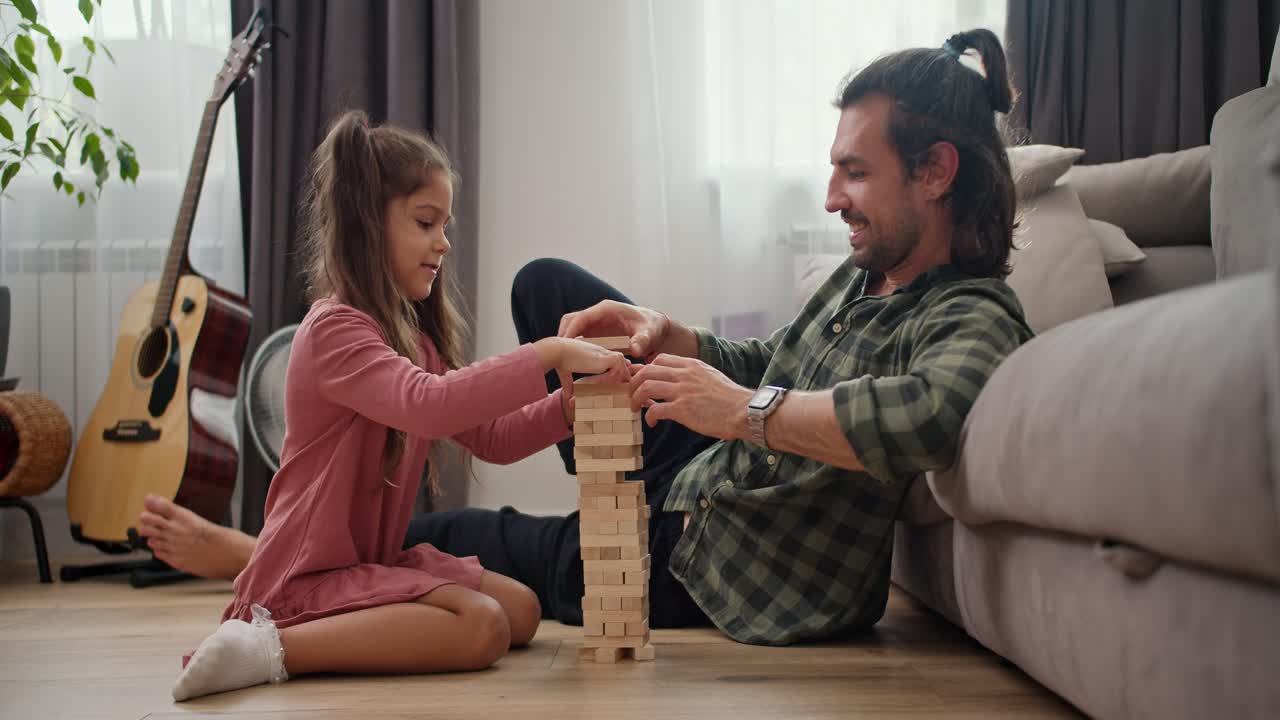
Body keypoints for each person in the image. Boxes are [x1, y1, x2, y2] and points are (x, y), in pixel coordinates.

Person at [147, 27, 1034, 655]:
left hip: (716, 555)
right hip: (704, 476)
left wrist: (735, 410)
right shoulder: (860, 275)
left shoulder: (970, 317)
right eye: (835, 168)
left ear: (936, 171)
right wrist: (661, 341)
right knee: (550, 289)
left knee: (472, 544)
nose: (832, 195)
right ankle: (302, 572)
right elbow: (771, 366)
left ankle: (266, 567)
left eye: (854, 171)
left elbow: (922, 416)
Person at [168, 110, 631, 702]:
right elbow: (430, 406)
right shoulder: (334, 329)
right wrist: (544, 354)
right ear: (367, 225)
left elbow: (492, 437)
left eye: (445, 224)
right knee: (482, 626)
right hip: (306, 575)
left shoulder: (413, 341)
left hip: (371, 561)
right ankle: (267, 645)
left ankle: (317, 633)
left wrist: (569, 407)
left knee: (520, 610)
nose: (444, 241)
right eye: (425, 222)